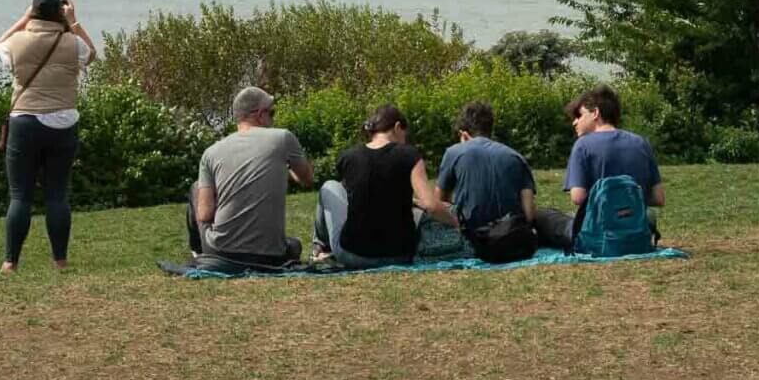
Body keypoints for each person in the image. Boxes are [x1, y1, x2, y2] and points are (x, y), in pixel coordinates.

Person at [0, 0, 98, 274]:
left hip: (24, 121)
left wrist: (24, 17)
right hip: (63, 122)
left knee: (20, 196)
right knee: (57, 195)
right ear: (59, 12)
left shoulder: (17, 42)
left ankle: (10, 262)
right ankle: (60, 261)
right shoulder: (71, 43)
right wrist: (74, 21)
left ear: (34, 11)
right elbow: (92, 55)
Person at [312, 104, 458, 268]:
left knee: (328, 186)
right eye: (404, 135)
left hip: (353, 255)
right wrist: (456, 223)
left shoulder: (348, 157)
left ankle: (321, 247)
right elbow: (432, 205)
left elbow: (363, 193)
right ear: (397, 127)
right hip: (400, 255)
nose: (404, 140)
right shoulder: (409, 154)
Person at [186, 86, 314, 268]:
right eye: (272, 113)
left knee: (197, 187)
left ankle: (200, 254)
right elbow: (307, 179)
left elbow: (205, 214)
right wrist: (288, 167)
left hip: (221, 252)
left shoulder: (211, 153)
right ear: (261, 114)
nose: (272, 118)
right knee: (294, 245)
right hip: (271, 256)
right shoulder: (283, 138)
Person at [533, 84, 664, 251]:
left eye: (579, 115)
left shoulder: (583, 145)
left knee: (541, 215)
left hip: (598, 233)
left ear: (595, 113)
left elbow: (578, 197)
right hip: (636, 228)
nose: (575, 122)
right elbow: (658, 198)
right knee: (648, 215)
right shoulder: (641, 143)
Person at [435, 102, 539, 263]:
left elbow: (438, 202)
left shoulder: (453, 152)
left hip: (473, 239)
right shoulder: (516, 156)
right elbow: (529, 213)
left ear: (463, 134)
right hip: (511, 237)